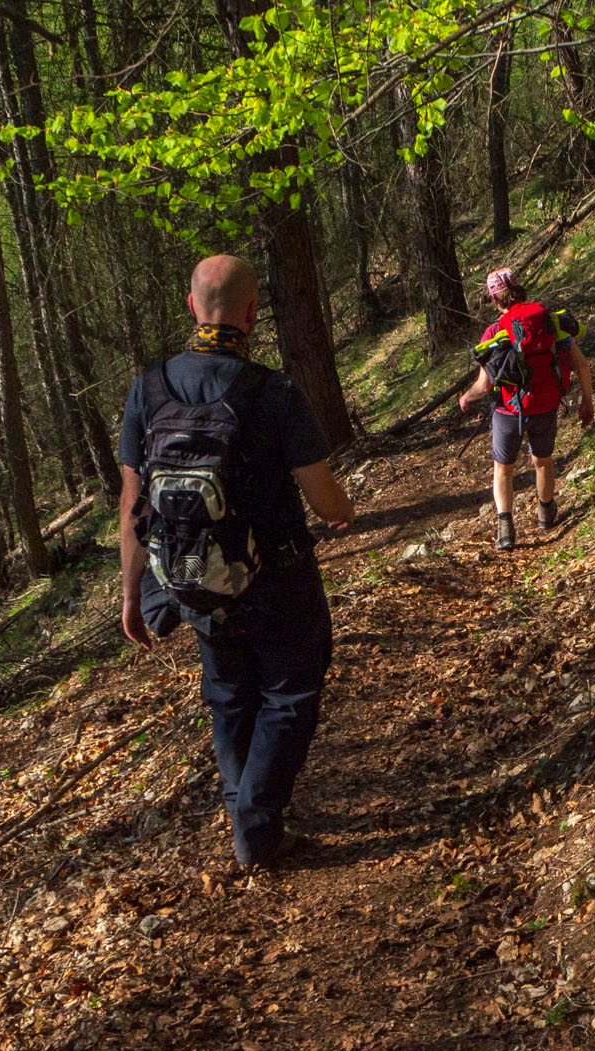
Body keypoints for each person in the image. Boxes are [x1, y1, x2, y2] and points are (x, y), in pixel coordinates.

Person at [118, 254, 355, 870]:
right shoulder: (273, 392)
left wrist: (131, 595)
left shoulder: (148, 390)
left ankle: (251, 817)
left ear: (192, 306)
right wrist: (343, 510)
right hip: (278, 578)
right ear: (252, 313)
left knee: (229, 697)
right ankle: (255, 823)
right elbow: (325, 499)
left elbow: (132, 504)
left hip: (196, 578)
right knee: (290, 691)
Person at [457, 267, 594, 549]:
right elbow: (580, 364)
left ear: (495, 299)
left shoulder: (495, 332)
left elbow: (484, 386)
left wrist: (466, 398)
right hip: (545, 403)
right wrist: (587, 401)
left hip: (509, 411)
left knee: (503, 469)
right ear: (519, 290)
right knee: (542, 460)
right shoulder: (548, 322)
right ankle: (545, 512)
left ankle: (505, 529)